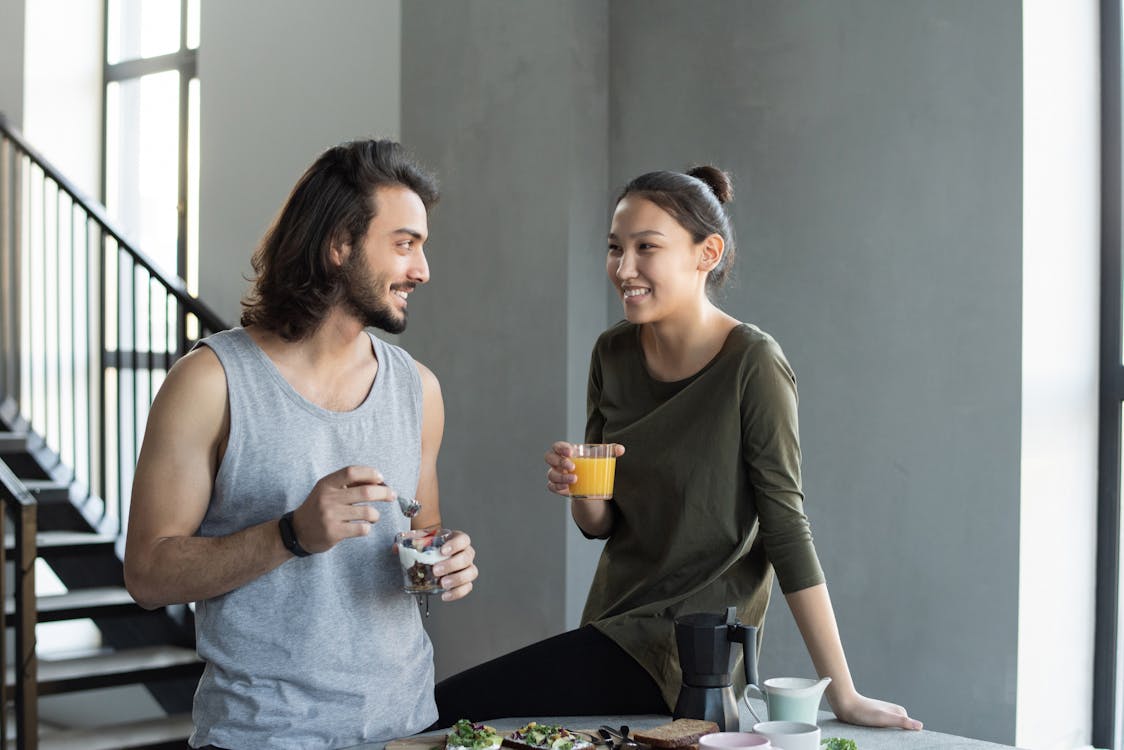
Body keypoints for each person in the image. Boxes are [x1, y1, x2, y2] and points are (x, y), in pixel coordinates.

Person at [434, 165, 919, 731]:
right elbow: (600, 523)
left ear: (706, 253)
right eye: (615, 248)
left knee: (440, 712)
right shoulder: (611, 353)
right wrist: (579, 488)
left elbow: (787, 530)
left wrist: (844, 693)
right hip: (612, 628)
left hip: (690, 653)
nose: (624, 268)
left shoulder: (753, 365)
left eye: (647, 248)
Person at [124, 139, 478, 750]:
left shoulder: (419, 390)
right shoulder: (209, 382)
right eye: (403, 245)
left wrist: (447, 559)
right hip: (262, 736)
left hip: (407, 727)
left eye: (422, 246)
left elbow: (422, 531)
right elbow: (148, 574)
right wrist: (290, 535)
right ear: (339, 244)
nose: (422, 270)